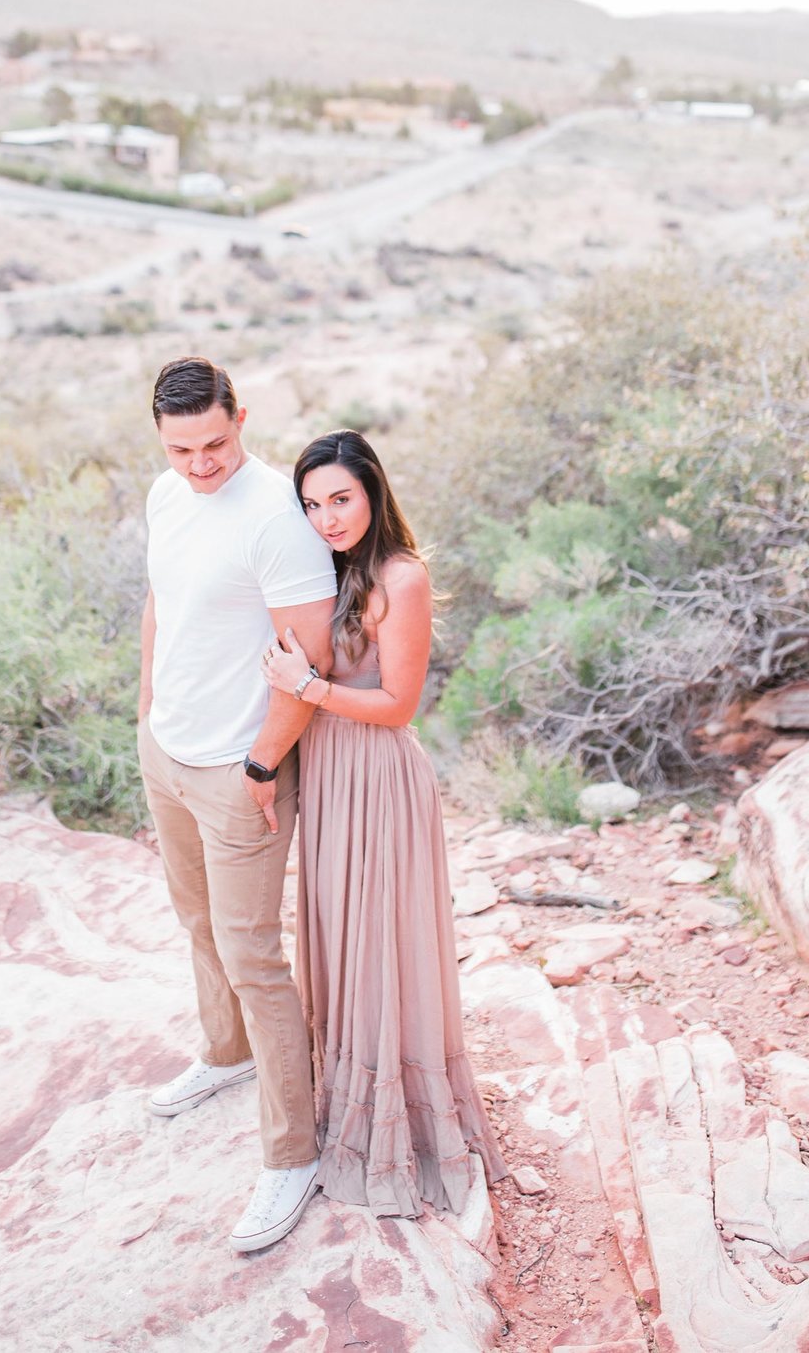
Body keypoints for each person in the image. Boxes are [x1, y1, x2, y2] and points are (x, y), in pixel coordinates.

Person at [258, 430, 506, 1218]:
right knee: (336, 934)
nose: (327, 518)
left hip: (379, 773)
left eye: (341, 499)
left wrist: (308, 686)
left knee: (381, 940)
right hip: (328, 774)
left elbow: (399, 704)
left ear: (373, 493)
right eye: (312, 504)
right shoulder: (318, 571)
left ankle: (402, 1123)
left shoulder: (403, 576)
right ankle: (345, 1100)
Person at [132, 356, 338, 1254]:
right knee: (195, 921)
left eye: (215, 443)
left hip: (237, 768)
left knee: (254, 954)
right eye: (183, 449)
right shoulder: (165, 495)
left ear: (241, 420)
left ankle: (291, 1153)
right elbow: (159, 606)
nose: (201, 464)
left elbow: (309, 660)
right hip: (167, 751)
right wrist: (145, 716)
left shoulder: (278, 522)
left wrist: (262, 767)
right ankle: (226, 1056)